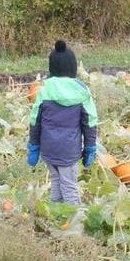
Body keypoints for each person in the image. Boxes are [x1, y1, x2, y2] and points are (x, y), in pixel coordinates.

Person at [27, 40, 99, 206]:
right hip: (68, 151)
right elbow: (90, 122)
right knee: (69, 188)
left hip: (49, 150)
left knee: (56, 183)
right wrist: (89, 147)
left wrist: (34, 146)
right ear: (73, 67)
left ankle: (56, 217)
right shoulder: (81, 91)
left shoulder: (44, 90)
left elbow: (35, 121)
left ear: (52, 68)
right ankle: (75, 225)